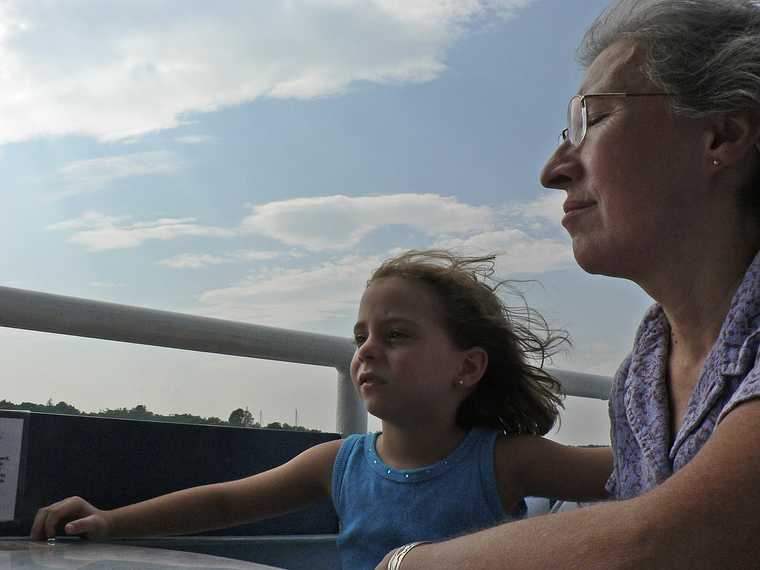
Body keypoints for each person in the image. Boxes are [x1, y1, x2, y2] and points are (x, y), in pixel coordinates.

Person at [375, 0, 760, 568]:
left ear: (722, 135)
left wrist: (405, 562)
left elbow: (680, 541)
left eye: (591, 119)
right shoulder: (641, 379)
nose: (553, 168)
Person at [31, 250, 611, 570]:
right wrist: (110, 521)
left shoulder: (505, 461)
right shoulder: (339, 463)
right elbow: (227, 500)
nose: (367, 351)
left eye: (397, 335)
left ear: (468, 368)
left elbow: (642, 465)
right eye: (361, 336)